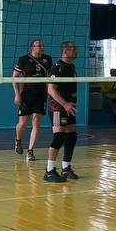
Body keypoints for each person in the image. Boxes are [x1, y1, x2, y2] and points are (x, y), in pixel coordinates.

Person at [43, 41, 80, 183]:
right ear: (65, 52)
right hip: (57, 107)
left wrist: (69, 105)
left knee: (72, 136)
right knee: (59, 137)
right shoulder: (57, 67)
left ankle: (66, 168)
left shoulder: (71, 66)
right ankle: (49, 171)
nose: (76, 51)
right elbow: (51, 89)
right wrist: (65, 104)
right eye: (74, 49)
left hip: (69, 107)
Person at [12, 38, 48, 160]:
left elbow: (50, 76)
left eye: (43, 45)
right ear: (33, 48)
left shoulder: (47, 59)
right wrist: (17, 94)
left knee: (36, 121)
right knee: (23, 123)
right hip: (26, 95)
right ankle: (18, 140)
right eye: (39, 45)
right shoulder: (24, 59)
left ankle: (30, 151)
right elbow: (14, 77)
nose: (42, 47)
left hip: (41, 95)